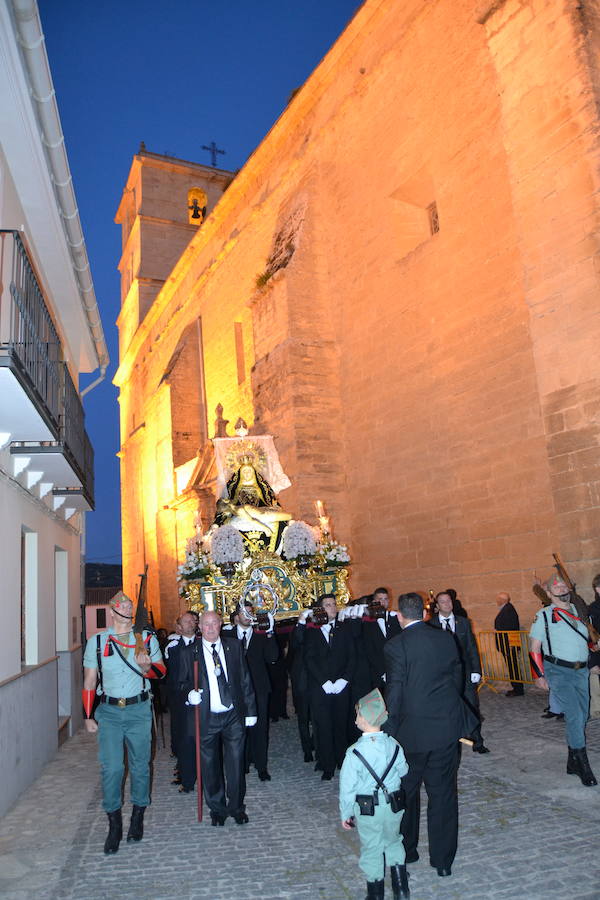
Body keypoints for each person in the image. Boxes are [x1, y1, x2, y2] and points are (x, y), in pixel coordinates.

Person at [384, 592, 478, 878]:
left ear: (400, 615)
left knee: (406, 794)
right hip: (445, 728)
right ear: (425, 613)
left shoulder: (395, 646)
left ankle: (408, 850)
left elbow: (396, 692)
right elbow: (456, 677)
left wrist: (387, 731)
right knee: (443, 794)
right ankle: (443, 861)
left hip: (411, 734)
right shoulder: (444, 638)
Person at [82, 590, 165, 854]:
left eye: (130, 607)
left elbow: (160, 671)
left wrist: (145, 667)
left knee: (141, 766)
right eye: (123, 607)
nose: (127, 610)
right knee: (113, 768)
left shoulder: (145, 638)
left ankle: (137, 818)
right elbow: (89, 682)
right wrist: (87, 716)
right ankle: (114, 825)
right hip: (109, 712)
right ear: (112, 610)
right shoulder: (97, 642)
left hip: (139, 709)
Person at [181, 610, 257, 824]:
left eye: (214, 623)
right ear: (200, 627)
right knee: (209, 764)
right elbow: (180, 683)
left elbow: (244, 679)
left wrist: (250, 711)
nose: (211, 628)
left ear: (221, 624)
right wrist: (189, 694)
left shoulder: (233, 646)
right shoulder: (190, 652)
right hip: (206, 717)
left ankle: (236, 807)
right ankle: (217, 809)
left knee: (235, 762)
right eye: (206, 624)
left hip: (233, 715)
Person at [340, 689, 410, 900]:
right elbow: (404, 770)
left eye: (358, 715)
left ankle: (376, 894)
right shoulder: (394, 745)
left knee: (371, 847)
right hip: (393, 806)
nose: (356, 719)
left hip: (367, 809)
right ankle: (401, 889)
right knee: (394, 841)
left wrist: (345, 813)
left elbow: (347, 788)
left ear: (364, 719)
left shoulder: (354, 753)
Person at [529, 575, 598, 786]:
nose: (561, 590)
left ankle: (571, 760)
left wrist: (592, 657)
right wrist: (538, 675)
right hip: (558, 671)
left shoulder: (578, 612)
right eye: (556, 588)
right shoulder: (544, 615)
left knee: (583, 714)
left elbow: (582, 641)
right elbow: (534, 648)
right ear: (549, 593)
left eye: (563, 587)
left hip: (581, 671)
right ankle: (582, 764)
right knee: (576, 715)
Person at [304, 594, 356, 780]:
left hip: (341, 686)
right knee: (323, 726)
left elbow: (352, 656)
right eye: (327, 605)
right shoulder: (312, 631)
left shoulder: (344, 629)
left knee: (341, 725)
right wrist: (324, 682)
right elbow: (309, 659)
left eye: (334, 604)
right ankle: (327, 765)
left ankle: (342, 761)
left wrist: (344, 680)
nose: (332, 608)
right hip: (321, 688)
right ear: (320, 610)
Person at [430, 592, 489, 754]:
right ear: (437, 606)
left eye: (448, 601)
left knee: (472, 705)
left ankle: (477, 740)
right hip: (444, 675)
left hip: (465, 673)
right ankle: (450, 738)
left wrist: (476, 669)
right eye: (443, 602)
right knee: (446, 707)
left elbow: (471, 647)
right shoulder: (431, 624)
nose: (447, 604)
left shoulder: (463, 622)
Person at [225, 601, 278, 781]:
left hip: (258, 688)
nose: (248, 616)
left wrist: (270, 632)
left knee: (260, 728)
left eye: (250, 612)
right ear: (237, 616)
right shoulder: (227, 635)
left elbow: (273, 657)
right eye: (244, 613)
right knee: (237, 728)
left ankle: (261, 766)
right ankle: (242, 763)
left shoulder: (262, 636)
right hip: (236, 690)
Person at [164, 612, 201, 792]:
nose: (190, 623)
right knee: (182, 737)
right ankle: (184, 772)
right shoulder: (173, 646)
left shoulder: (202, 643)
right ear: (178, 626)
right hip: (180, 699)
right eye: (186, 621)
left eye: (193, 621)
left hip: (201, 697)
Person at [361, 588, 401, 693]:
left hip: (397, 671)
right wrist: (382, 672)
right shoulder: (366, 623)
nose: (383, 602)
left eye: (385, 599)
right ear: (374, 601)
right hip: (376, 674)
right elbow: (369, 650)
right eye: (380, 599)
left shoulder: (396, 619)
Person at [494, 591, 524, 696]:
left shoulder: (508, 610)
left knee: (513, 667)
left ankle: (518, 689)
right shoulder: (507, 609)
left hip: (508, 644)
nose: (496, 601)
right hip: (508, 644)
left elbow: (509, 627)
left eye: (498, 599)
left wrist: (497, 630)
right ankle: (516, 687)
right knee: (512, 666)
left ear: (503, 600)